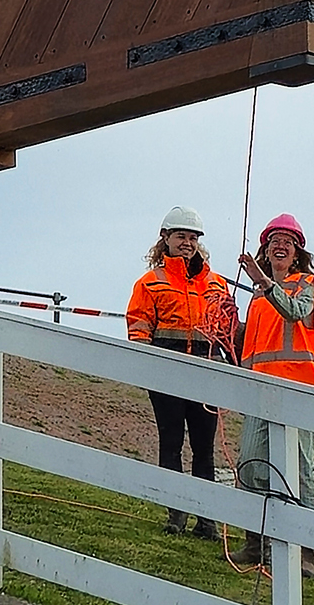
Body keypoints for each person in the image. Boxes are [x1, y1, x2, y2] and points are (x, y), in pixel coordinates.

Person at [126, 206, 238, 539]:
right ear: (166, 239)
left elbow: (228, 331)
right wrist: (147, 368)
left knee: (204, 449)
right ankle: (176, 513)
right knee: (171, 444)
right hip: (166, 374)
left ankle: (206, 521)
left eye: (192, 237)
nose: (187, 243)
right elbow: (139, 327)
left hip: (207, 374)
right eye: (180, 236)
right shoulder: (150, 283)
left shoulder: (217, 284)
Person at [229, 213, 314, 575]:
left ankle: (308, 554)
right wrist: (231, 326)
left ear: (299, 251)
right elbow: (255, 345)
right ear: (265, 249)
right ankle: (256, 543)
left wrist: (262, 282)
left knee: (299, 474)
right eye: (274, 240)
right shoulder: (258, 298)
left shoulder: (306, 285)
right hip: (260, 392)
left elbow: (295, 313)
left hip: (299, 393)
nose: (280, 245)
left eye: (288, 240)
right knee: (251, 466)